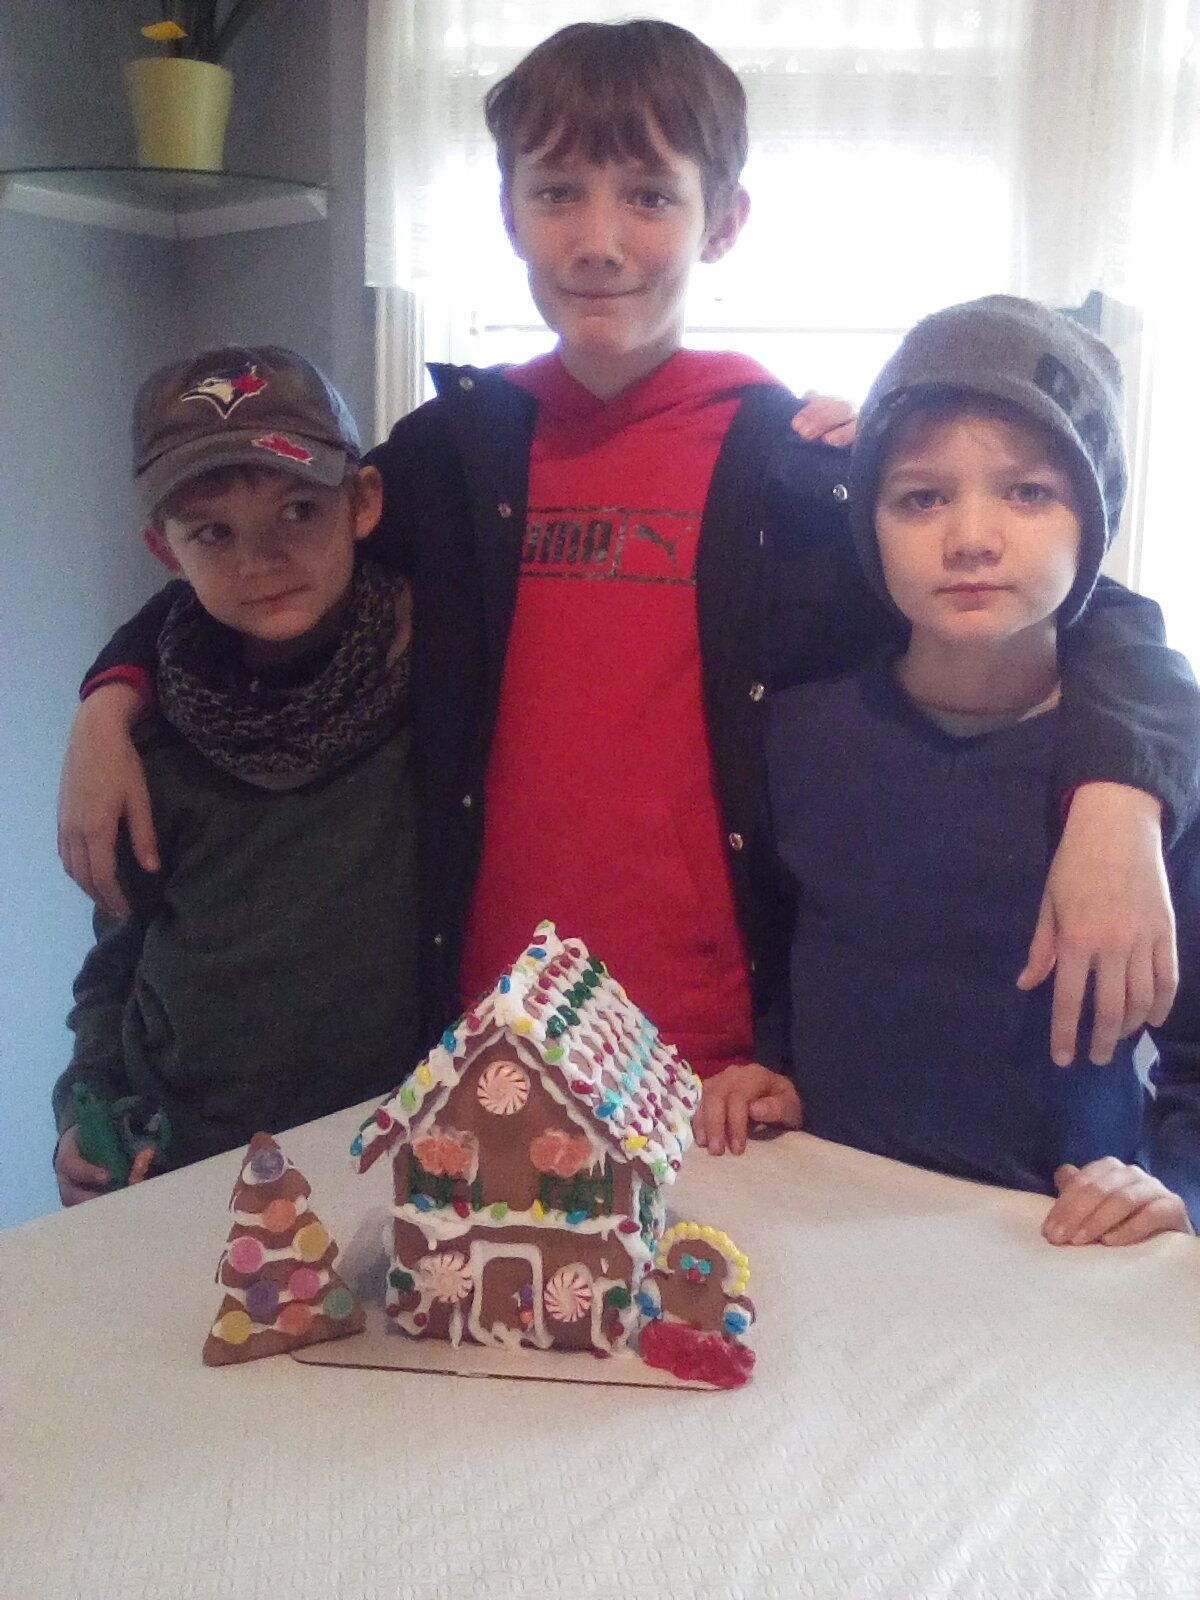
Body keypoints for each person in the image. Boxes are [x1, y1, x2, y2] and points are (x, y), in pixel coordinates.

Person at [58, 22, 1196, 1089]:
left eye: (650, 195)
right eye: (558, 193)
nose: (599, 242)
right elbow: (254, 573)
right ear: (508, 212)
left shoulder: (800, 469)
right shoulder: (453, 456)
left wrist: (1117, 797)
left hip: (723, 1068)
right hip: (482, 1043)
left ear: (724, 219)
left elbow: (1083, 606)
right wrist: (109, 701)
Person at [695, 296, 1200, 1247]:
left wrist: (1175, 1191)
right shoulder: (799, 735)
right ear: (872, 525)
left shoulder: (1149, 786)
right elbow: (790, 951)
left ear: (1094, 522)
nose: (971, 536)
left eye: (1028, 493)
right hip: (827, 1228)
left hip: (1059, 1255)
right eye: (922, 497)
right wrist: (778, 1068)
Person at [54, 346, 420, 1203]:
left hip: (386, 1154)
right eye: (213, 531)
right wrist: (86, 1105)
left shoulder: (437, 690)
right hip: (182, 1162)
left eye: (298, 509)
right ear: (165, 548)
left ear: (362, 502)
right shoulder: (151, 739)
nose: (259, 560)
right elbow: (117, 958)